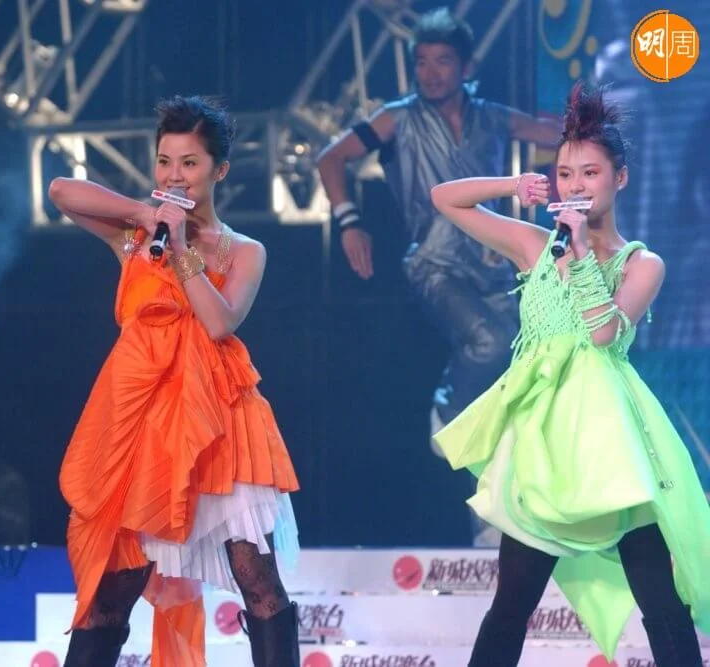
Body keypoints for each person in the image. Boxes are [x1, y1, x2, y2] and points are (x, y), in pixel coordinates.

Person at [430, 81, 710, 666]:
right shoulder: (534, 246)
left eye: (590, 173)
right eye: (564, 174)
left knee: (660, 601)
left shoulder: (642, 262)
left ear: (619, 178)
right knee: (511, 604)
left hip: (613, 444)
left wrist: (581, 253)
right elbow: (445, 198)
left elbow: (604, 333)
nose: (575, 186)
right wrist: (512, 186)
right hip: (545, 441)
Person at [47, 95, 301, 667]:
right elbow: (61, 190)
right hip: (146, 425)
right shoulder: (135, 237)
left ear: (219, 170)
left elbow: (219, 322)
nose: (174, 175)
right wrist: (145, 216)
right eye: (165, 161)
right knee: (114, 589)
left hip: (221, 424)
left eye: (189, 163)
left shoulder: (245, 251)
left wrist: (183, 248)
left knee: (258, 580)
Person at [316, 8, 562, 545]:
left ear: (465, 66)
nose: (430, 73)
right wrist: (350, 222)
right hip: (433, 263)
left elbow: (551, 133)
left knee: (512, 387)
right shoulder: (396, 118)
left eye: (442, 61)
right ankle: (448, 409)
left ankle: (491, 522)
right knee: (488, 340)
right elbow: (331, 159)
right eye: (422, 62)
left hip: (495, 263)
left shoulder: (491, 116)